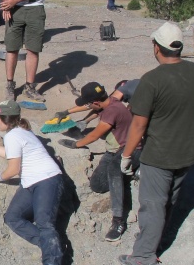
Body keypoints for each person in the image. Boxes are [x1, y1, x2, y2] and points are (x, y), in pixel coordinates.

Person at [118, 22, 194, 265]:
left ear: (157, 47)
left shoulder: (152, 80)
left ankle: (144, 256)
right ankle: (157, 239)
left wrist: (126, 155)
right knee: (169, 201)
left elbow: (138, 126)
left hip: (160, 155)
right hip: (187, 151)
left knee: (153, 205)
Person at [0, 100, 64, 265]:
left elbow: (13, 168)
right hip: (31, 181)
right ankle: (50, 245)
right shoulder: (19, 133)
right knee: (12, 218)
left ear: (6, 119)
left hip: (46, 179)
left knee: (44, 222)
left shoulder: (14, 135)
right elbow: (10, 153)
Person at [55, 82, 140, 242]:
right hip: (114, 150)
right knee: (97, 185)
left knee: (115, 171)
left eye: (88, 103)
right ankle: (130, 173)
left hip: (131, 149)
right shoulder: (109, 102)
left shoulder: (111, 111)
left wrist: (75, 144)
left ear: (95, 102)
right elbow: (88, 109)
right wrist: (67, 112)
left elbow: (94, 136)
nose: (87, 106)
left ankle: (118, 220)